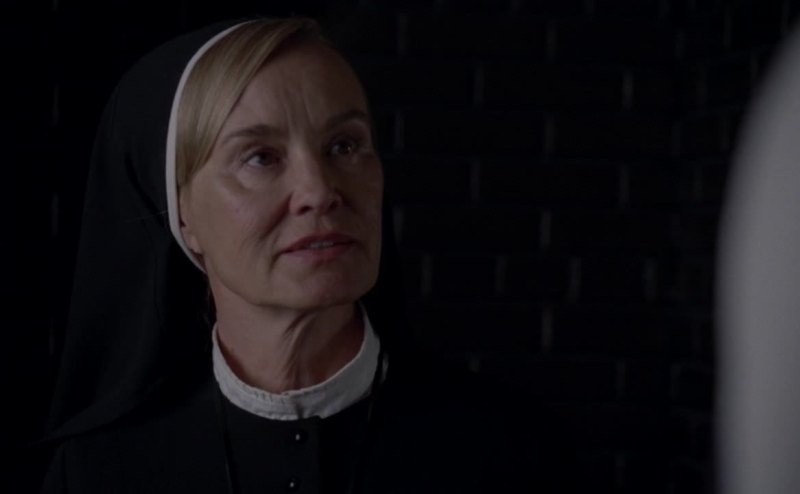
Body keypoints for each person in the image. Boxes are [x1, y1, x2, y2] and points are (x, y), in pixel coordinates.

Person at [37, 17, 577, 493]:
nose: (319, 191)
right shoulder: (97, 470)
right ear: (181, 216)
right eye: (260, 157)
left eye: (344, 145)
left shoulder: (514, 451)